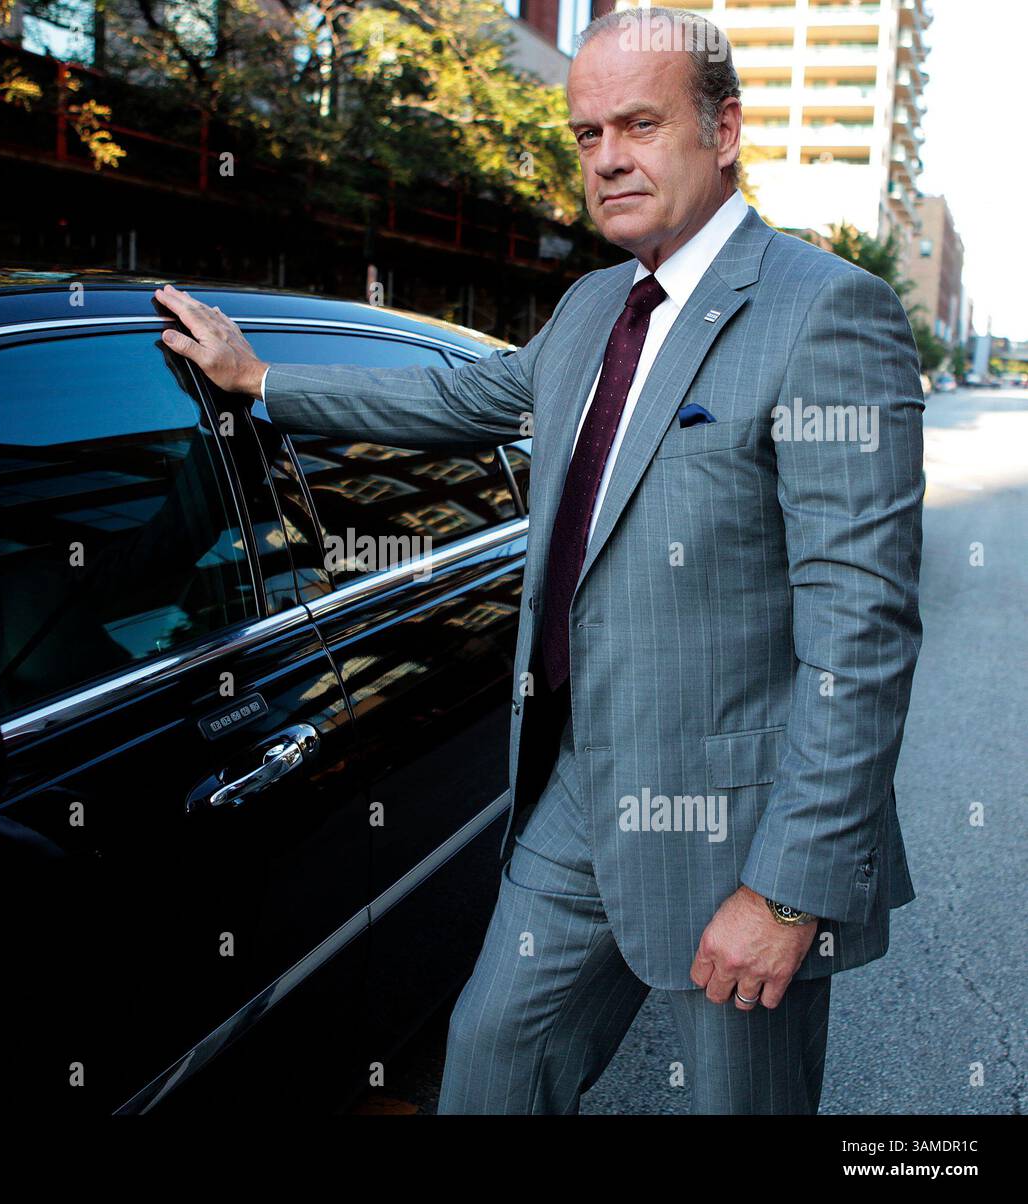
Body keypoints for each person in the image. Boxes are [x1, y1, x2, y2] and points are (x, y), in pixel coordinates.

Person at [156, 4, 924, 1115]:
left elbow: (863, 631)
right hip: (574, 788)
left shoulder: (826, 312)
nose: (606, 158)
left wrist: (788, 892)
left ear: (723, 130)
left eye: (639, 125)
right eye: (585, 134)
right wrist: (261, 381)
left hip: (736, 825)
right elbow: (452, 398)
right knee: (492, 1062)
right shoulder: (592, 306)